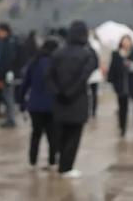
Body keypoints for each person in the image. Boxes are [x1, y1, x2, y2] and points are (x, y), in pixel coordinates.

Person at [46, 20, 97, 178]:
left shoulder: (58, 53)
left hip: (59, 101)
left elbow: (49, 76)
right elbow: (84, 76)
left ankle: (59, 161)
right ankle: (66, 166)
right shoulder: (87, 54)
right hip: (78, 99)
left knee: (60, 134)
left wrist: (58, 92)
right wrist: (71, 92)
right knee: (74, 136)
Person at [19, 37, 59, 169]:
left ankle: (33, 161)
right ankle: (52, 161)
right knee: (52, 134)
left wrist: (21, 102)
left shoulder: (34, 62)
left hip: (35, 105)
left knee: (36, 133)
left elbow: (25, 84)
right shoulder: (56, 63)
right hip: (52, 105)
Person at [107, 35, 133, 137]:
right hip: (121, 86)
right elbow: (112, 69)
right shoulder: (116, 54)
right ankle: (122, 127)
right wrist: (112, 82)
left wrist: (132, 65)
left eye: (128, 41)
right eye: (124, 41)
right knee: (122, 108)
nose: (126, 43)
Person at [0, 23, 18, 128]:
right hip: (10, 73)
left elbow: (7, 60)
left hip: (8, 74)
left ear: (4, 31)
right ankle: (9, 118)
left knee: (8, 96)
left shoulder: (8, 43)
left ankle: (11, 119)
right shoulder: (11, 41)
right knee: (8, 96)